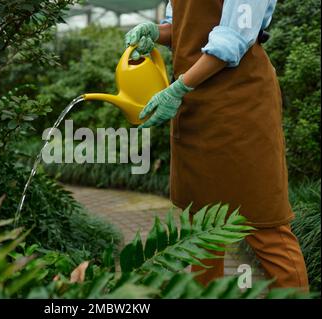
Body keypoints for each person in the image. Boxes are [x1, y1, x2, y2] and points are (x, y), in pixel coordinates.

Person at [125, 0, 309, 290]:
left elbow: (231, 39)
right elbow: (183, 30)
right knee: (201, 226)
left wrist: (180, 87)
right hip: (196, 107)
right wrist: (156, 33)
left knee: (264, 224)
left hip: (240, 104)